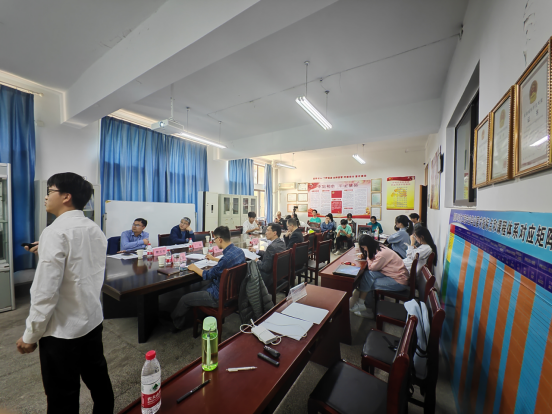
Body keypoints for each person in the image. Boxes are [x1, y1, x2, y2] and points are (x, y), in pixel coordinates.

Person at [17, 172, 114, 413]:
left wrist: (31, 335)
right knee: (99, 381)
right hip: (92, 321)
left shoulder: (54, 232)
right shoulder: (94, 229)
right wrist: (46, 249)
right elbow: (82, 266)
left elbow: (45, 292)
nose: (46, 197)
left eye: (49, 191)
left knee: (62, 397)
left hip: (62, 332)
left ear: (66, 196)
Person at [169, 226, 246, 331]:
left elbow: (208, 275)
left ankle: (175, 323)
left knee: (184, 299)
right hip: (233, 293)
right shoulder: (239, 252)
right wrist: (215, 259)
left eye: (214, 239)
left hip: (218, 297)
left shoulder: (225, 260)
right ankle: (201, 315)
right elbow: (228, 262)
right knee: (200, 290)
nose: (214, 242)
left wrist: (194, 268)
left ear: (220, 239)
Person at [350, 234, 410, 318]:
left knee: (368, 283)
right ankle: (361, 303)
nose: (364, 249)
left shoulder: (382, 255)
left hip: (399, 281)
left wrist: (367, 255)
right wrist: (367, 254)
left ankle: (368, 310)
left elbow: (371, 267)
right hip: (392, 273)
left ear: (368, 245)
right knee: (367, 275)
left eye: (364, 248)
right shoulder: (380, 246)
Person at [250, 223, 286, 290]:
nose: (265, 233)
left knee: (249, 267)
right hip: (280, 274)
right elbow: (269, 255)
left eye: (267, 230)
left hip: (269, 278)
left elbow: (265, 267)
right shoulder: (281, 243)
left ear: (274, 233)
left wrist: (257, 261)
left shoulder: (271, 247)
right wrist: (256, 251)